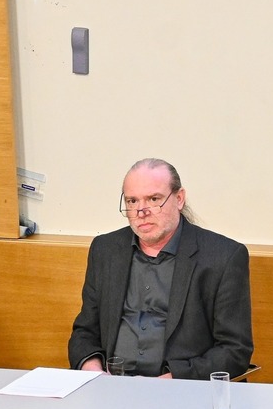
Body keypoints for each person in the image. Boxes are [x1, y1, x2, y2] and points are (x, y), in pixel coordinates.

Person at [68, 158, 253, 380]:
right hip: (110, 385)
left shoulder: (223, 256)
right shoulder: (105, 250)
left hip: (180, 389)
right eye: (132, 201)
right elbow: (85, 332)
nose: (141, 211)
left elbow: (234, 350)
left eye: (153, 199)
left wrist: (168, 382)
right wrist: (95, 373)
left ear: (179, 199)